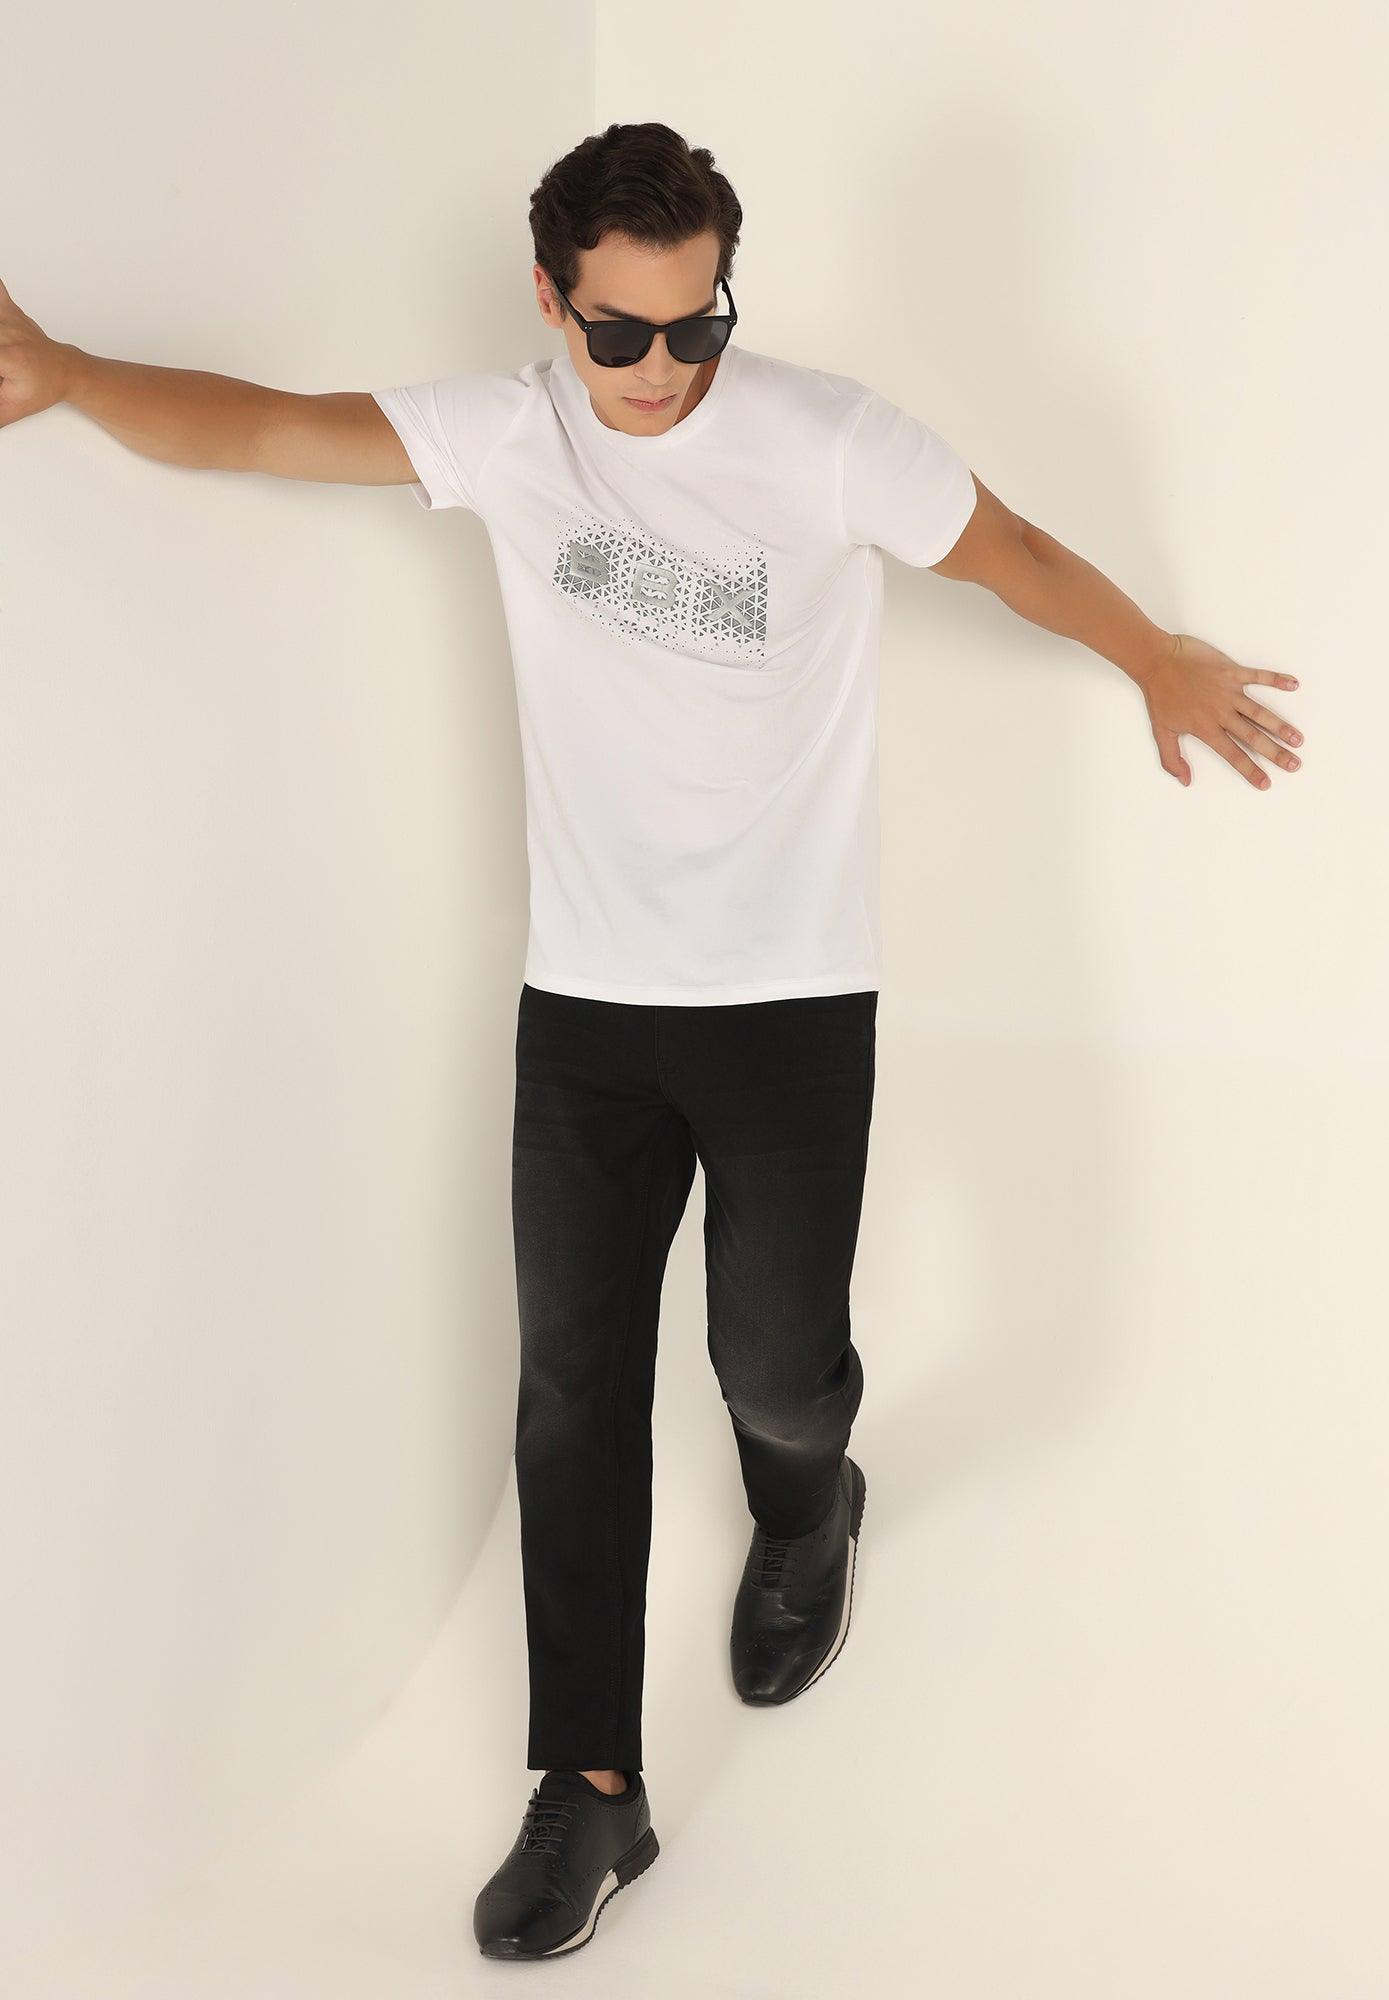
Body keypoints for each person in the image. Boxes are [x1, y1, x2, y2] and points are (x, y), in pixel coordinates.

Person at [0, 119, 1303, 1962]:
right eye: (622, 333)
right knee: (573, 1403)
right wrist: (66, 375)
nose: (666, 369)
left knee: (775, 1367)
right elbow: (272, 428)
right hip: (589, 1016)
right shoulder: (506, 436)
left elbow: (1006, 548)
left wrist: (1155, 653)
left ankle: (809, 1499)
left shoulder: (827, 437)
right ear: (551, 302)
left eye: (700, 325)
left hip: (790, 1004)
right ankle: (592, 1789)